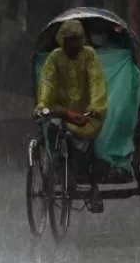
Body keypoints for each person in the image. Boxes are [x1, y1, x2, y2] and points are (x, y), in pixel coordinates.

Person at [35, 19, 108, 212]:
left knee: (88, 144)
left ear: (81, 40)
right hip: (59, 111)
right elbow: (47, 81)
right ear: (62, 41)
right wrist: (43, 103)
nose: (72, 44)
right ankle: (57, 167)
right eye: (68, 40)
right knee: (50, 131)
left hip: (85, 113)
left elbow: (96, 82)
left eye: (76, 40)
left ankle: (93, 185)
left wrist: (96, 106)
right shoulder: (55, 57)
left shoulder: (89, 56)